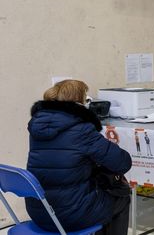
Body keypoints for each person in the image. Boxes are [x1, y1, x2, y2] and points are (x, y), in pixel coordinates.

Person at [26, 80, 132, 235]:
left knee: (91, 191)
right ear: (79, 102)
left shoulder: (37, 127)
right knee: (121, 197)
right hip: (69, 216)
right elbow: (123, 163)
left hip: (39, 212)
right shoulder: (82, 129)